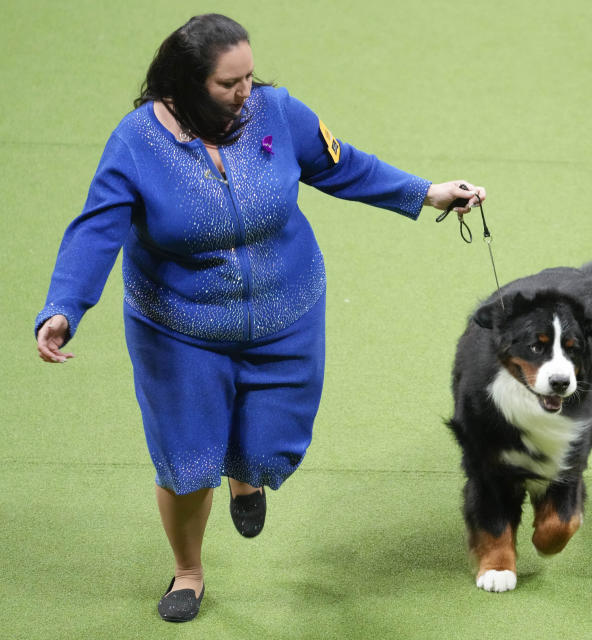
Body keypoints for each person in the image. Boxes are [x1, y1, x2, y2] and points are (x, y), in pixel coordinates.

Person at [34, 13, 485, 623]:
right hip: (179, 328)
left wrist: (426, 192)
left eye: (249, 75)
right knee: (189, 462)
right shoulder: (137, 142)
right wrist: (64, 307)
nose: (247, 91)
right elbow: (96, 229)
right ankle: (189, 570)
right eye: (229, 84)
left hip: (286, 311)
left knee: (269, 450)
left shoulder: (277, 111)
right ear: (186, 85)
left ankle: (246, 476)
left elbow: (340, 164)